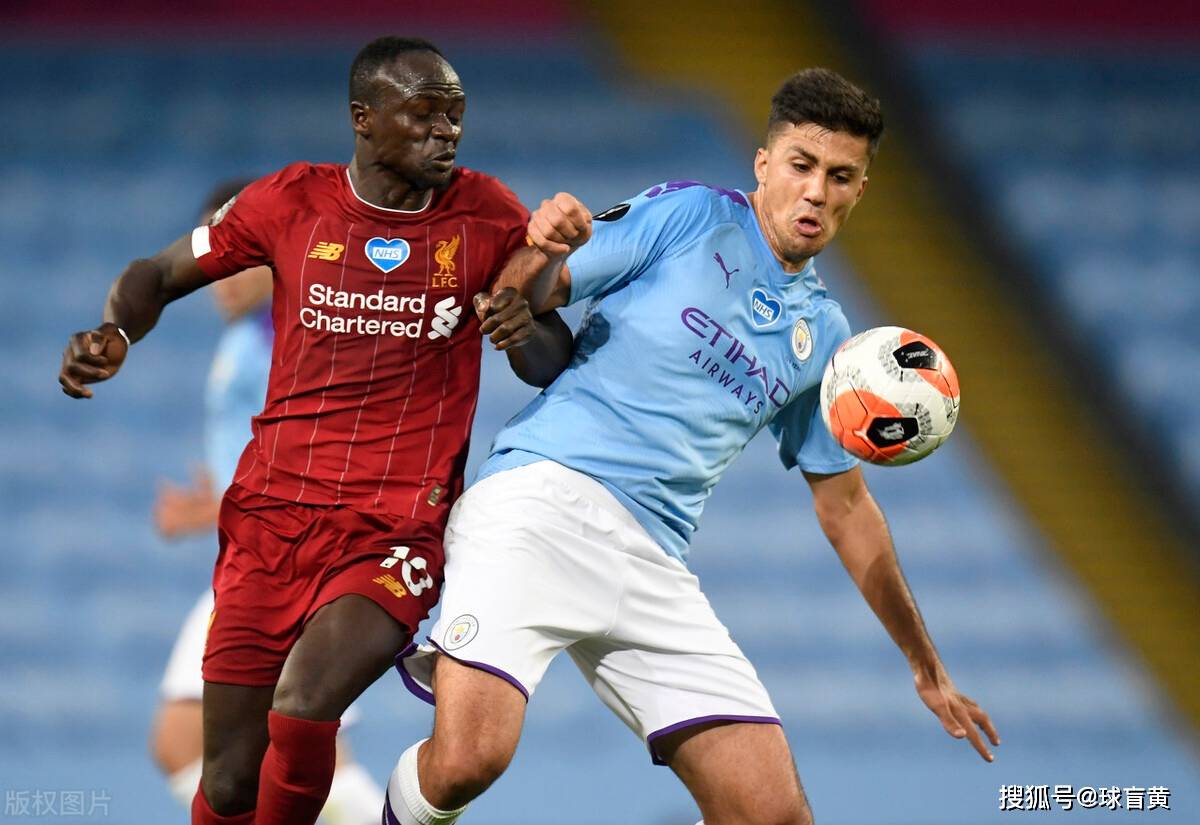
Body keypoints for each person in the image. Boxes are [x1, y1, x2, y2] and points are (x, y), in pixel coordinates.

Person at [386, 68, 1000, 825]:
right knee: (467, 761)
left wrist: (925, 665)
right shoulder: (689, 215)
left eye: (839, 177)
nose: (816, 192)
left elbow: (846, 508)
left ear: (859, 191)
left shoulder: (829, 340)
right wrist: (543, 250)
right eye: (802, 165)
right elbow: (534, 290)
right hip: (543, 502)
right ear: (764, 163)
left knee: (773, 816)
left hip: (653, 560)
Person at [58, 36, 572, 825]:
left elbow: (549, 355)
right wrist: (116, 332)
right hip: (269, 521)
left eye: (455, 116)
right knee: (229, 779)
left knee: (303, 705)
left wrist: (520, 327)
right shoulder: (289, 202)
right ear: (364, 118)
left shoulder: (489, 215)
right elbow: (156, 274)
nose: (446, 132)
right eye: (424, 114)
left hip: (394, 529)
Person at [148, 181, 386, 824]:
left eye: (234, 258)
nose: (218, 276)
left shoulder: (293, 332)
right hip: (258, 552)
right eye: (209, 258)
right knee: (252, 749)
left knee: (234, 744)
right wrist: (216, 506)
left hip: (289, 558)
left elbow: (324, 446)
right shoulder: (250, 337)